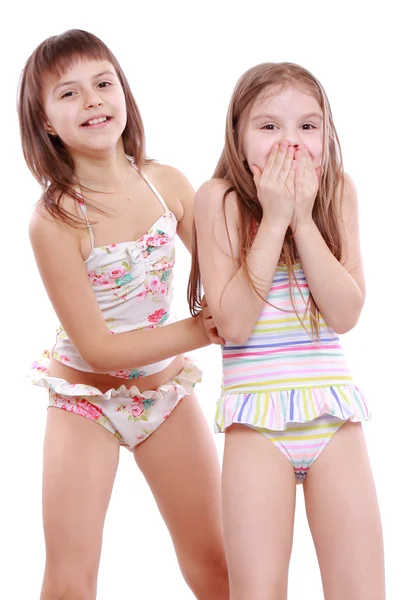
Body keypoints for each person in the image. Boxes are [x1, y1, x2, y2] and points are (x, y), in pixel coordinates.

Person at [19, 29, 228, 600]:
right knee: (69, 581)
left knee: (218, 566)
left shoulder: (166, 185)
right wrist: (198, 330)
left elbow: (227, 274)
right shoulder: (54, 220)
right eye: (68, 93)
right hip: (84, 400)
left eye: (103, 83)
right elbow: (99, 349)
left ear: (124, 96)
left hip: (162, 396)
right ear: (45, 123)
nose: (92, 100)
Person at [189, 62, 385, 599]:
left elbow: (345, 313)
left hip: (333, 417)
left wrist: (302, 219)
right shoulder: (219, 200)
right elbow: (233, 323)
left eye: (308, 125)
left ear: (326, 134)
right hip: (256, 423)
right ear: (238, 136)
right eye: (269, 126)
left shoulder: (336, 192)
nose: (290, 142)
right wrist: (273, 219)